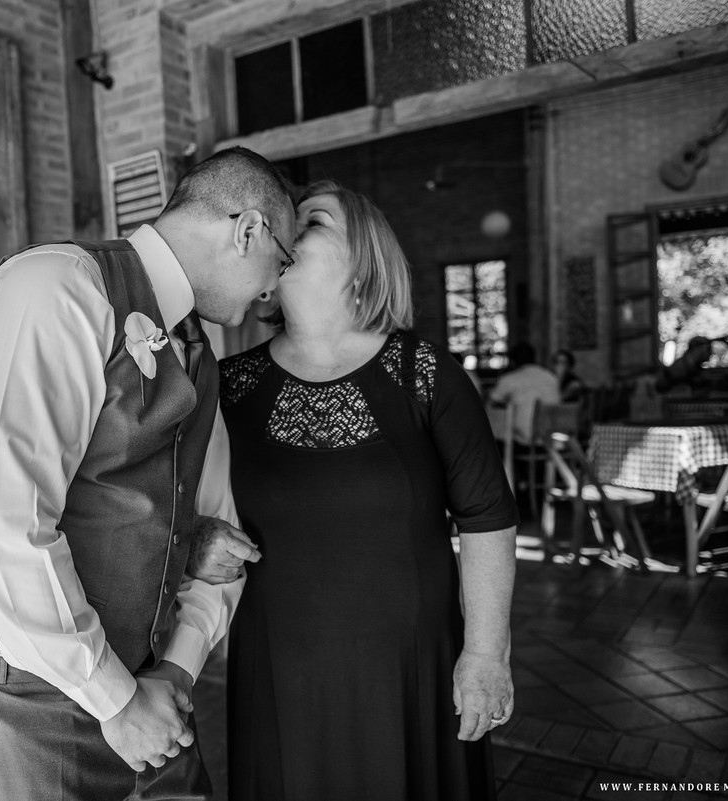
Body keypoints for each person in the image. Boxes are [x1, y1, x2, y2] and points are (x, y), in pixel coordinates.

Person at [0, 147, 291, 801]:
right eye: (280, 262)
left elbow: (216, 531)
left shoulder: (198, 352)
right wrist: (117, 701)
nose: (272, 290)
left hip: (146, 685)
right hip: (20, 692)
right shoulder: (55, 288)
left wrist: (175, 671)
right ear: (249, 231)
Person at [195, 180, 518, 800]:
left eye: (311, 220)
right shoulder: (226, 386)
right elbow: (179, 504)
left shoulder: (425, 373)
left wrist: (485, 655)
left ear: (366, 259)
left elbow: (486, 518)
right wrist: (195, 538)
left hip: (411, 663)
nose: (284, 227)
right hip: (280, 664)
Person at [487, 342, 560, 446]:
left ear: (513, 361)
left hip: (525, 435)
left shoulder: (510, 378)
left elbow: (492, 400)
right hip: (552, 433)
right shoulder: (551, 377)